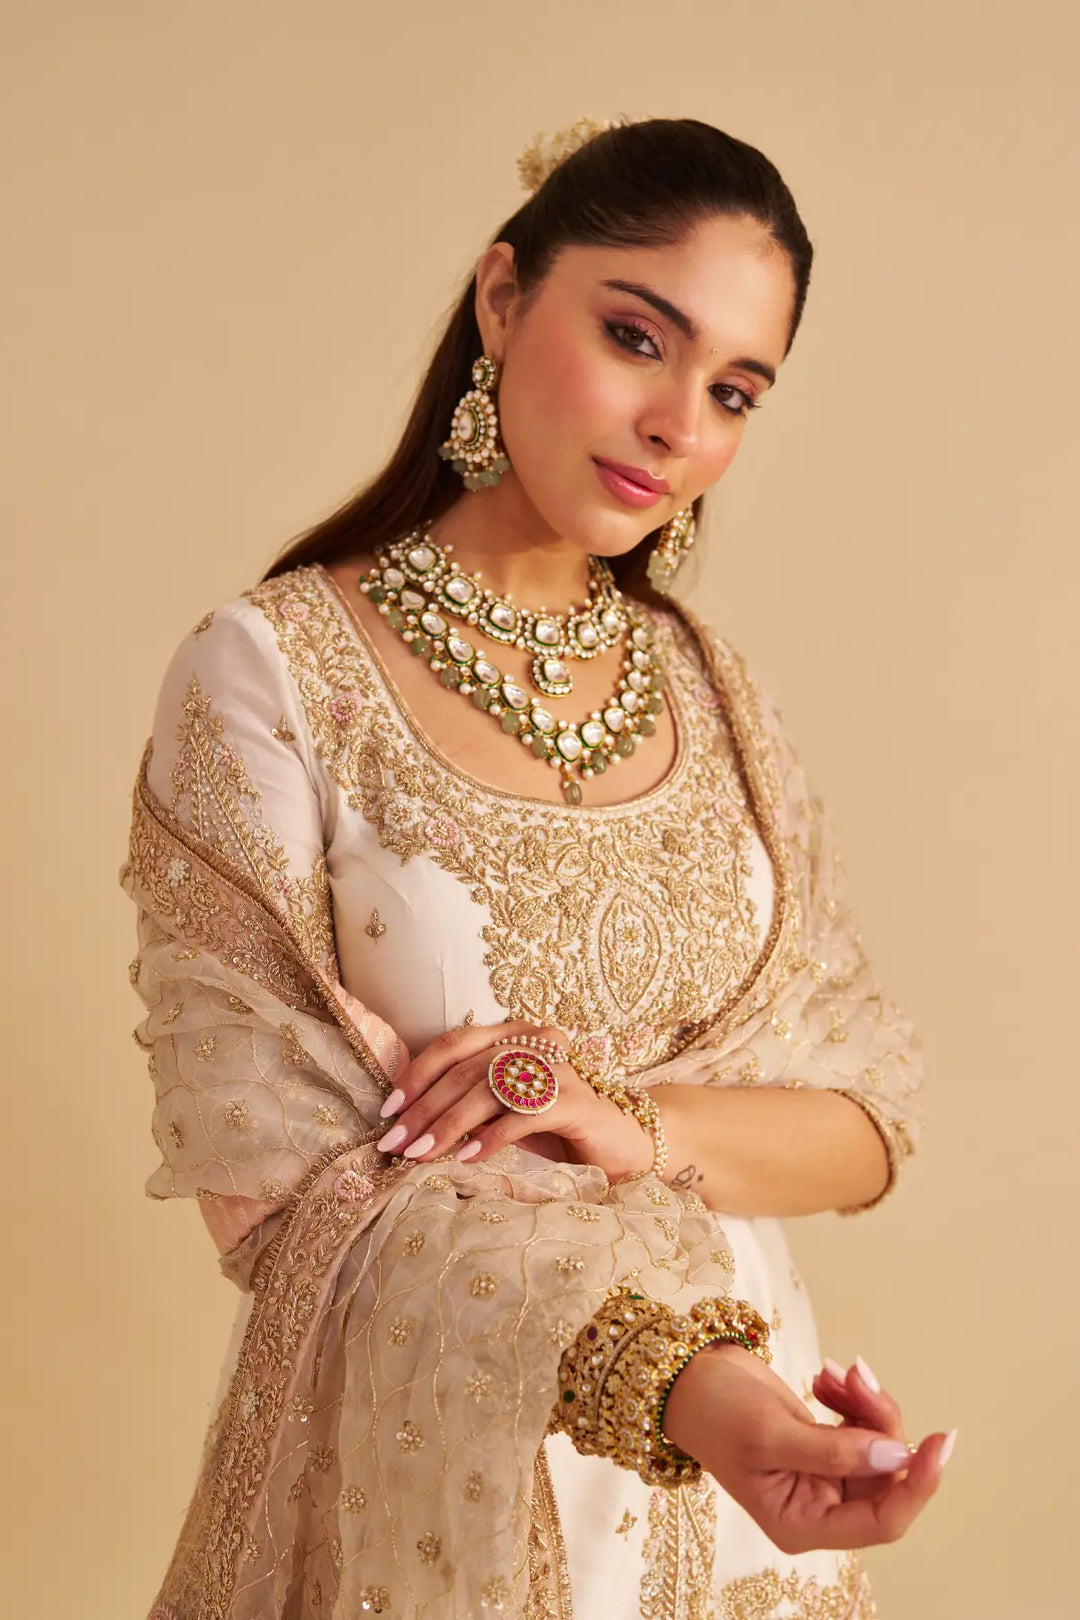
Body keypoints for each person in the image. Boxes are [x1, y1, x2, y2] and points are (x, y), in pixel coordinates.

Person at [120, 115, 948, 1620]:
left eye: (736, 390)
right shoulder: (276, 674)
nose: (677, 424)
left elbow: (867, 1121)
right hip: (437, 1507)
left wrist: (620, 1121)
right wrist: (697, 1393)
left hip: (758, 1512)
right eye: (638, 336)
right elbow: (290, 1201)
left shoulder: (713, 693)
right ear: (504, 299)